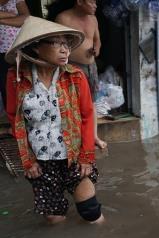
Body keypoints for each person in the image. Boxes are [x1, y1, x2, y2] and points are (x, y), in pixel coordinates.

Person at [5, 16, 104, 225]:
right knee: (56, 220)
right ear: (36, 48)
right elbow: (15, 119)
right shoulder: (16, 78)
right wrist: (27, 161)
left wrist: (87, 156)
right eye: (56, 43)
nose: (65, 49)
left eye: (66, 43)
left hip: (74, 156)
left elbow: (87, 114)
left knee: (91, 212)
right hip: (41, 162)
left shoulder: (75, 76)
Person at [51, 0, 107, 149]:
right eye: (92, 2)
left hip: (91, 66)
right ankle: (73, 138)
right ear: (80, 2)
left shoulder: (93, 19)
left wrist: (96, 49)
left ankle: (93, 137)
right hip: (71, 67)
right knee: (71, 104)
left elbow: (98, 41)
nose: (95, 5)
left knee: (92, 103)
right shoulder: (63, 18)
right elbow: (56, 45)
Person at [0, 0, 29, 112]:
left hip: (18, 48)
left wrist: (2, 19)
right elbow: (19, 19)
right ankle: (11, 116)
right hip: (1, 52)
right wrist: (13, 16)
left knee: (21, 80)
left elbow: (26, 19)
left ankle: (25, 113)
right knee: (5, 84)